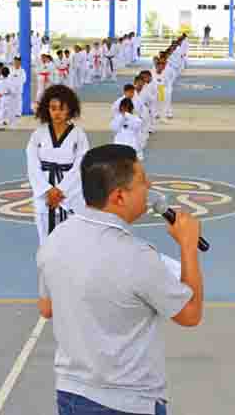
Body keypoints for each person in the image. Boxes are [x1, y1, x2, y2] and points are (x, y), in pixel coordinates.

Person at [37, 143, 203, 415]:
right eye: (141, 182)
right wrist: (187, 246)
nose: (149, 186)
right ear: (119, 197)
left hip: (70, 393)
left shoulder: (55, 240)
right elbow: (190, 313)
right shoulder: (137, 256)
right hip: (127, 401)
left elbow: (47, 307)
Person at [26, 85, 89, 244]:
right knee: (45, 238)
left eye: (62, 108)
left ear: (70, 110)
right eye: (53, 108)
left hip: (70, 192)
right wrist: (47, 190)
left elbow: (82, 164)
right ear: (46, 109)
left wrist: (61, 190)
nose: (57, 113)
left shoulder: (78, 135)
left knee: (72, 240)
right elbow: (32, 165)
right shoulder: (38, 134)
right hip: (44, 193)